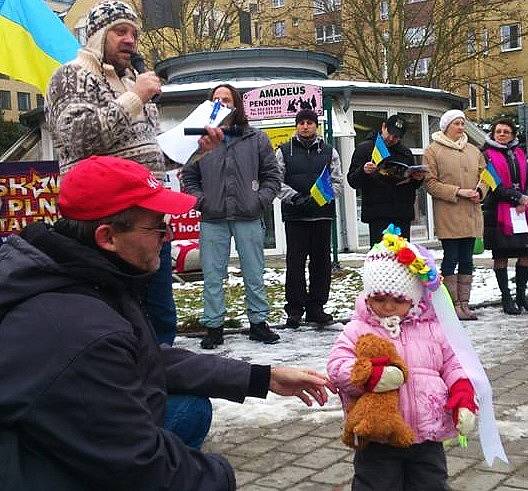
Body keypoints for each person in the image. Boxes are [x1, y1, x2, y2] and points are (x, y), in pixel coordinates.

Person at [0, 156, 335, 490]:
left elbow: (146, 357)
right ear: (107, 237)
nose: (168, 237)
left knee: (189, 408)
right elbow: (141, 466)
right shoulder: (81, 328)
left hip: (42, 437)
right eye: (158, 227)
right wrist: (223, 474)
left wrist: (261, 377)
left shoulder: (82, 274)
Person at [45, 0, 222, 346]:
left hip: (146, 224)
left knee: (159, 321)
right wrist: (136, 97)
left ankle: (162, 391)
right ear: (97, 36)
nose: (130, 40)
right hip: (102, 227)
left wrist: (196, 151)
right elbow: (77, 138)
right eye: (120, 31)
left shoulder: (132, 81)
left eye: (134, 33)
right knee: (115, 325)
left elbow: (148, 154)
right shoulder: (72, 75)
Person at [327, 230, 478, 490]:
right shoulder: (358, 329)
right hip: (378, 435)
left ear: (415, 297)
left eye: (398, 300)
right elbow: (337, 366)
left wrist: (463, 395)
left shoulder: (433, 328)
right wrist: (369, 375)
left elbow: (454, 364)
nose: (387, 307)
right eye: (378, 298)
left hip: (427, 434)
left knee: (431, 484)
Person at [182, 83, 282, 348]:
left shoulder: (256, 138)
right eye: (216, 99)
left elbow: (272, 175)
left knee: (254, 272)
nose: (222, 103)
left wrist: (259, 201)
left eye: (226, 99)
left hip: (247, 216)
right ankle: (214, 327)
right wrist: (200, 200)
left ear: (236, 104)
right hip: (213, 217)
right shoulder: (201, 140)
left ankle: (259, 324)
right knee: (213, 276)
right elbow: (189, 176)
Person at [276, 109, 344, 328]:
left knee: (321, 265)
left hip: (321, 216)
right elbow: (276, 181)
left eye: (310, 122)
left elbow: (337, 182)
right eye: (301, 122)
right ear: (297, 126)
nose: (305, 126)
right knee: (295, 265)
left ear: (316, 125)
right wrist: (295, 198)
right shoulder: (284, 151)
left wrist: (320, 199)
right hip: (295, 217)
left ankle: (316, 308)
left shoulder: (329, 151)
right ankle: (295, 309)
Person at [423, 109, 488, 320]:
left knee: (467, 259)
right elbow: (430, 183)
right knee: (451, 258)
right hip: (449, 213)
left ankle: (464, 303)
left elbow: (485, 176)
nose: (461, 127)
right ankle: (451, 305)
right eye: (456, 123)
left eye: (463, 123)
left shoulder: (473, 150)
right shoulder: (433, 151)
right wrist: (458, 191)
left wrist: (480, 191)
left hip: (471, 212)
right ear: (446, 126)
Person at [482, 119, 528, 315]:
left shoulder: (520, 153)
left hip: (523, 211)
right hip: (498, 210)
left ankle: (521, 295)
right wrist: (517, 197)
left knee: (526, 254)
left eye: (506, 131)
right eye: (498, 131)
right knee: (501, 256)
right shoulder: (486, 155)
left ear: (513, 135)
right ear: (493, 134)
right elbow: (493, 185)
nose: (502, 134)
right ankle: (506, 297)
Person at [348, 115, 424, 246]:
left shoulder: (405, 153)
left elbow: (413, 184)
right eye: (389, 133)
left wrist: (417, 179)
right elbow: (352, 180)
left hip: (402, 213)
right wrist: (363, 171)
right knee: (380, 258)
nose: (391, 138)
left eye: (396, 137)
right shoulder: (365, 148)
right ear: (383, 127)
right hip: (378, 213)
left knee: (402, 258)